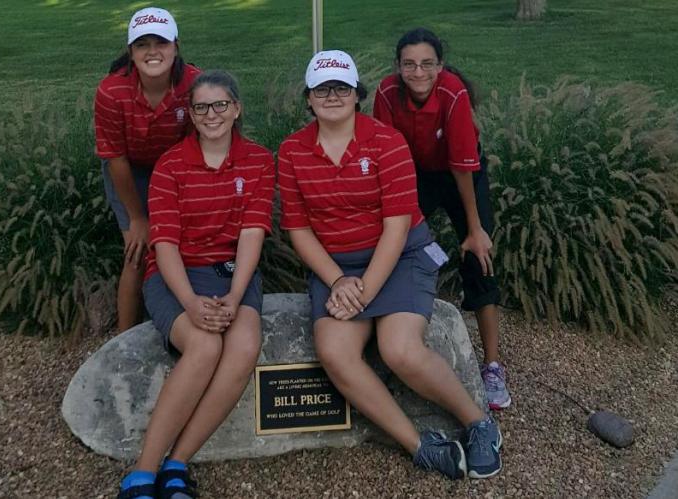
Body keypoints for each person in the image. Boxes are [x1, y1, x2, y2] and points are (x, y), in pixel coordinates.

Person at [278, 50, 502, 480]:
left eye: (341, 87)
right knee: (334, 352)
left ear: (357, 94)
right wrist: (338, 280)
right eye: (321, 89)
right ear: (308, 98)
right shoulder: (292, 151)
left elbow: (396, 227)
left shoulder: (385, 141)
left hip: (398, 256)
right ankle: (419, 446)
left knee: (398, 349)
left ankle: (479, 423)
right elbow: (299, 229)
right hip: (335, 265)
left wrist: (360, 290)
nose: (331, 95)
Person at [115, 70, 275, 499]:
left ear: (237, 108)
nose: (211, 114)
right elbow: (164, 244)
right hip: (176, 275)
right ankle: (142, 474)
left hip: (233, 274)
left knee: (242, 345)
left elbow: (251, 236)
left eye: (221, 104)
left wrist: (236, 297)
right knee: (205, 345)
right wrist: (189, 302)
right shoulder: (171, 165)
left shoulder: (259, 160)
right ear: (190, 113)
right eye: (201, 107)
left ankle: (177, 464)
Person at [373, 28, 511, 410]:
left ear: (440, 65)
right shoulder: (387, 93)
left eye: (427, 64)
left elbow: (462, 163)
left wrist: (475, 228)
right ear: (398, 66)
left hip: (461, 176)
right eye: (409, 64)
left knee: (478, 256)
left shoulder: (452, 92)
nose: (418, 72)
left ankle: (493, 366)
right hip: (413, 173)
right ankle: (389, 340)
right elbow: (384, 150)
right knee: (391, 243)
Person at [95, 6, 201, 332]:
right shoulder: (111, 92)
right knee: (137, 251)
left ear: (176, 46)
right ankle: (122, 340)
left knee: (178, 244)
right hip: (128, 171)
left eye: (161, 42)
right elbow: (116, 159)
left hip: (176, 169)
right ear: (130, 52)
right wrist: (139, 218)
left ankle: (182, 323)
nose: (152, 51)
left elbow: (195, 145)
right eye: (142, 44)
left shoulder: (194, 83)